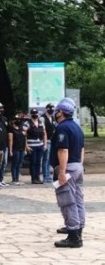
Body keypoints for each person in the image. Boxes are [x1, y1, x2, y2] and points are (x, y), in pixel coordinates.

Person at [51, 98, 85, 248]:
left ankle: (73, 237)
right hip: (77, 166)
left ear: (61, 112)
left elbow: (63, 149)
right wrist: (80, 165)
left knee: (67, 202)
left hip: (68, 167)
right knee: (77, 200)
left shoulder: (62, 128)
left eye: (57, 111)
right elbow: (82, 149)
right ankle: (78, 229)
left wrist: (62, 172)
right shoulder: (77, 127)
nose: (55, 113)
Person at [24, 108, 47, 184]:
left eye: (36, 113)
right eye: (33, 113)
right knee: (33, 162)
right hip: (31, 146)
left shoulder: (41, 123)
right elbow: (24, 135)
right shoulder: (27, 123)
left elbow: (44, 134)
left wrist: (45, 144)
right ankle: (33, 178)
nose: (35, 115)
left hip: (40, 145)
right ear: (31, 114)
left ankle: (38, 177)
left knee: (38, 162)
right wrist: (26, 146)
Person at [8, 116, 27, 185]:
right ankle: (14, 179)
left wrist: (25, 149)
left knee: (19, 164)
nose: (18, 121)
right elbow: (11, 140)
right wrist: (10, 150)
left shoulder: (21, 128)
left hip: (22, 148)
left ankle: (17, 178)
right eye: (17, 119)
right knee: (15, 164)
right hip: (15, 148)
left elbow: (25, 139)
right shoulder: (11, 129)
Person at [43, 103, 56, 183]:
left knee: (49, 159)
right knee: (46, 159)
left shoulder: (52, 118)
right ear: (46, 109)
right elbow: (43, 131)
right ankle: (46, 176)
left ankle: (48, 175)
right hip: (46, 141)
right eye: (50, 108)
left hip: (52, 140)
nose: (51, 110)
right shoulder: (43, 118)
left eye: (52, 108)